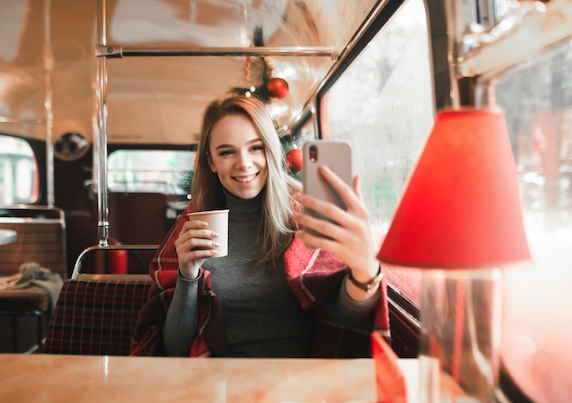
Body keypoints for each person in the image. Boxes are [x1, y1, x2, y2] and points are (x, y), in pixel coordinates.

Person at [131, 95, 389, 358]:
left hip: (300, 382)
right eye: (227, 152)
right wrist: (187, 275)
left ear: (272, 150)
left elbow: (342, 318)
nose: (243, 163)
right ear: (210, 161)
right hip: (219, 384)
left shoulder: (306, 214)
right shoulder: (194, 225)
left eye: (256, 148)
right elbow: (175, 348)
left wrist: (364, 270)